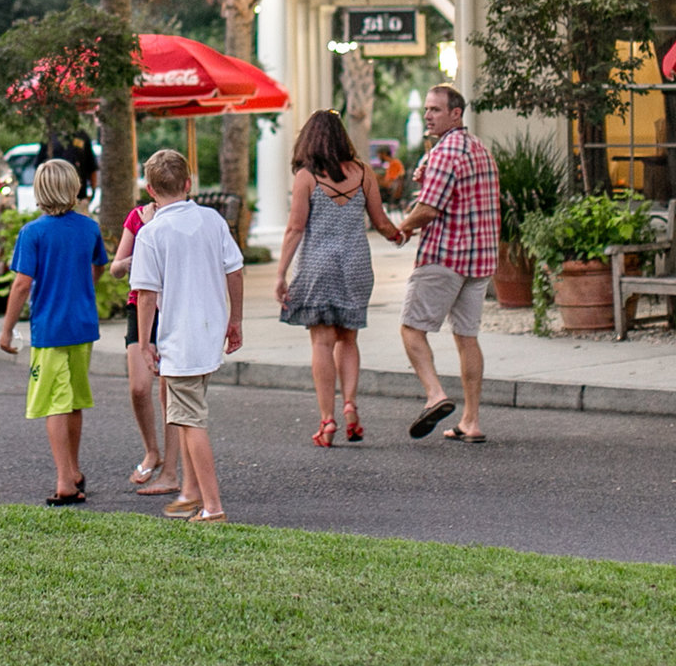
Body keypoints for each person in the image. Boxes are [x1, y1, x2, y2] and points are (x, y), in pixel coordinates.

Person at [275, 109, 405, 446]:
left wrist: (280, 273)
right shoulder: (363, 173)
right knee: (348, 339)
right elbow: (380, 220)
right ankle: (350, 404)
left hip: (319, 266)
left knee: (321, 342)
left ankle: (327, 420)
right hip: (356, 265)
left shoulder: (307, 177)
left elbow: (295, 228)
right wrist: (398, 235)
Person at [129, 149, 245, 523]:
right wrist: (236, 320)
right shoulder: (212, 221)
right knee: (188, 412)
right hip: (209, 333)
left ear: (150, 190)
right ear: (189, 183)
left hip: (179, 339)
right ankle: (191, 492)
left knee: (190, 421)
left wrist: (146, 342)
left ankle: (212, 506)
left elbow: (145, 295)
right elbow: (235, 272)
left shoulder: (151, 234)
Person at [0, 159, 111, 504]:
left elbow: (20, 285)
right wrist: (83, 291)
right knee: (73, 400)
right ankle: (74, 469)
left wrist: (6, 330)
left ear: (40, 191)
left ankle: (64, 481)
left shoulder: (33, 233)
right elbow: (98, 267)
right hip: (82, 325)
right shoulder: (88, 228)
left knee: (54, 404)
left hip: (50, 328)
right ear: (75, 188)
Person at [394, 83, 499, 444]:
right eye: (426, 109)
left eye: (436, 110)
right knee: (467, 337)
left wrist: (401, 229)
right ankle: (471, 421)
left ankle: (435, 394)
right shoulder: (479, 149)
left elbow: (428, 209)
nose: (428, 115)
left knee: (411, 328)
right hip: (480, 260)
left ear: (456, 113)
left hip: (445, 256)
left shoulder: (445, 153)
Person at [108, 170, 182, 496]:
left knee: (170, 392)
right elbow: (115, 268)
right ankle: (152, 450)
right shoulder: (138, 217)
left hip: (173, 308)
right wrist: (136, 256)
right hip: (139, 306)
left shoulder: (184, 218)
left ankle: (171, 468)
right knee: (140, 387)